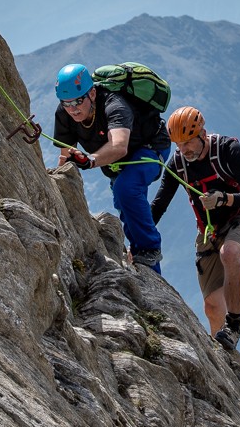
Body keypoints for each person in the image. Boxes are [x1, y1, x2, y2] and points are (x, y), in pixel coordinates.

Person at [151, 106, 240, 352]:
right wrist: (136, 239)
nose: (184, 150)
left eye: (188, 143)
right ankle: (225, 356)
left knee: (230, 253)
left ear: (202, 133)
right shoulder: (179, 163)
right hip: (209, 231)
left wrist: (224, 198)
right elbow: (159, 205)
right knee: (212, 306)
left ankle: (233, 326)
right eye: (179, 145)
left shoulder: (228, 150)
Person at [53, 63, 169, 272]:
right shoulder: (64, 114)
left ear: (93, 93)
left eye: (79, 101)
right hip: (113, 161)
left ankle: (150, 250)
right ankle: (149, 268)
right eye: (67, 103)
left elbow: (119, 146)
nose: (73, 109)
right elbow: (65, 156)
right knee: (124, 204)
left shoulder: (115, 105)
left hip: (150, 147)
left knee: (127, 189)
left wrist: (90, 160)